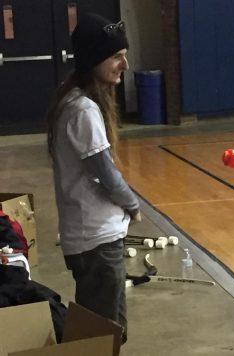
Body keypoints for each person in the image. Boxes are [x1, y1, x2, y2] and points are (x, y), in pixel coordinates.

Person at [46, 13, 140, 343]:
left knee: (113, 334)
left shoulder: (74, 102)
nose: (124, 65)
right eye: (116, 56)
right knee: (97, 340)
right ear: (94, 59)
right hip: (95, 244)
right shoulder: (82, 109)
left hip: (97, 240)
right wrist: (132, 204)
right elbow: (105, 173)